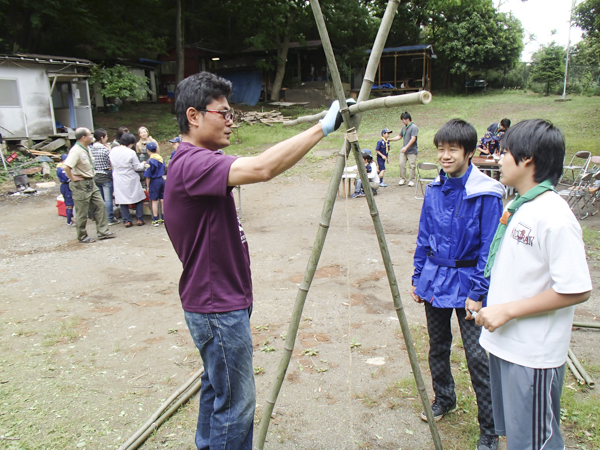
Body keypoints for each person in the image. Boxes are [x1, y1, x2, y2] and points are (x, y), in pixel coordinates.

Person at [163, 71, 345, 450]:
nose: (231, 121)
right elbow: (263, 168)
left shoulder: (199, 161)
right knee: (236, 406)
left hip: (219, 303)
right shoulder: (192, 163)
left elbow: (256, 163)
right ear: (194, 116)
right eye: (224, 113)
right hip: (217, 307)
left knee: (217, 392)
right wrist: (322, 128)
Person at [475, 119, 592, 450]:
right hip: (505, 344)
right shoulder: (520, 204)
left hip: (532, 354)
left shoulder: (554, 216)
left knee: (537, 443)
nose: (499, 157)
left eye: (506, 151)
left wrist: (508, 310)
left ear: (527, 159)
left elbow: (577, 287)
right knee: (517, 435)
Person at [410, 119, 504, 450]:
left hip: (468, 283)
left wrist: (478, 292)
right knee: (438, 345)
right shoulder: (435, 189)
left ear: (469, 152)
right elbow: (424, 235)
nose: (445, 156)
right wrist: (418, 275)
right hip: (436, 279)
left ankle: (489, 428)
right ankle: (444, 398)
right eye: (441, 149)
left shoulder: (486, 194)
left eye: (452, 149)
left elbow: (489, 249)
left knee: (478, 356)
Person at [62, 128, 116, 243]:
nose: (92, 136)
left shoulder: (86, 148)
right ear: (83, 137)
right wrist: (72, 178)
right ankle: (82, 235)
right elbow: (66, 166)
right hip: (81, 184)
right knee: (82, 210)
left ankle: (103, 231)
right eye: (90, 135)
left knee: (100, 205)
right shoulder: (76, 151)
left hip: (91, 181)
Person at [110, 132, 147, 227]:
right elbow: (137, 167)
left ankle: (127, 220)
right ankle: (139, 219)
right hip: (130, 176)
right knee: (138, 197)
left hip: (118, 176)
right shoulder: (130, 152)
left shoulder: (113, 150)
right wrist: (143, 164)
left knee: (122, 199)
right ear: (130, 142)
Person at [90, 128, 118, 225]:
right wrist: (110, 149)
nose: (107, 139)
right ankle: (110, 218)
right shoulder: (105, 150)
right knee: (108, 199)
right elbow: (112, 161)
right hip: (106, 175)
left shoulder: (91, 148)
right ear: (101, 138)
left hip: (96, 174)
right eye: (106, 137)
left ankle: (100, 218)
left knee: (100, 199)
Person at [389, 111, 418, 186]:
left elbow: (413, 139)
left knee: (412, 165)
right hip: (404, 150)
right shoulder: (404, 128)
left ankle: (411, 180)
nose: (402, 121)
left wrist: (406, 147)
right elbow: (399, 136)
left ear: (407, 119)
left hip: (412, 150)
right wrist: (390, 139)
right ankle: (403, 178)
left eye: (403, 120)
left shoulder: (414, 127)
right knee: (401, 164)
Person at [143, 142, 165, 226]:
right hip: (161, 179)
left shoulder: (149, 161)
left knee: (154, 200)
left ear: (148, 151)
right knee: (162, 199)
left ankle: (155, 219)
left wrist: (148, 186)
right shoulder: (160, 158)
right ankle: (163, 217)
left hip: (154, 181)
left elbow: (148, 175)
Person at [56, 154, 75, 226]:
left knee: (71, 203)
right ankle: (69, 221)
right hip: (66, 186)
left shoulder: (63, 167)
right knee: (69, 204)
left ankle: (70, 219)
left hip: (67, 185)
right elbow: (66, 178)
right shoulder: (61, 169)